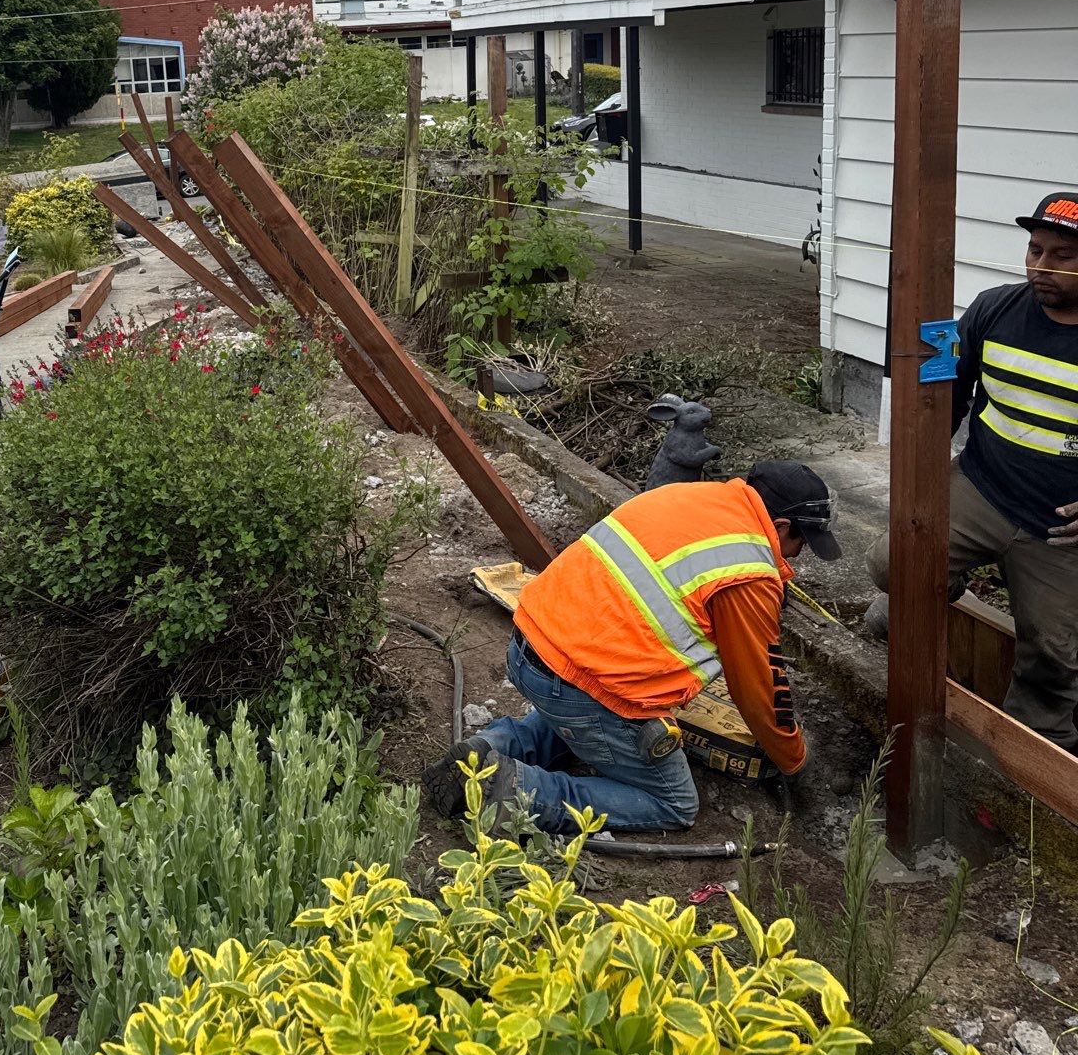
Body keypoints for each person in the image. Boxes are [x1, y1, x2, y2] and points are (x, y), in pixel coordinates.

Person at [422, 461, 839, 834]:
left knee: (581, 720)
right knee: (673, 803)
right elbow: (760, 690)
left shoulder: (691, 496)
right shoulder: (747, 574)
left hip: (530, 646)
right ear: (781, 527)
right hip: (578, 685)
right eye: (803, 543)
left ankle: (489, 749)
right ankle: (517, 790)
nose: (799, 558)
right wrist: (794, 760)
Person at [865, 192, 1078, 750]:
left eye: (1061, 255)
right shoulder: (993, 309)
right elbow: (947, 394)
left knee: (1055, 652)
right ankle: (925, 615)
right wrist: (922, 475)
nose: (1041, 267)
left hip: (1060, 528)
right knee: (895, 565)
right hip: (982, 488)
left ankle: (1034, 756)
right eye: (1034, 250)